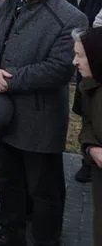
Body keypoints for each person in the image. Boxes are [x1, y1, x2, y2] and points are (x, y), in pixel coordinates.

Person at [0, 0, 87, 246]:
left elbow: (59, 70)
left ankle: (46, 239)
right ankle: (12, 235)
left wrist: (5, 81)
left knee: (42, 189)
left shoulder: (71, 17)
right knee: (7, 179)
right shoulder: (9, 3)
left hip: (39, 120)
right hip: (0, 112)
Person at [73, 27, 102, 246]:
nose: (75, 61)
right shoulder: (89, 87)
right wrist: (92, 147)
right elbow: (87, 123)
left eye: (80, 56)